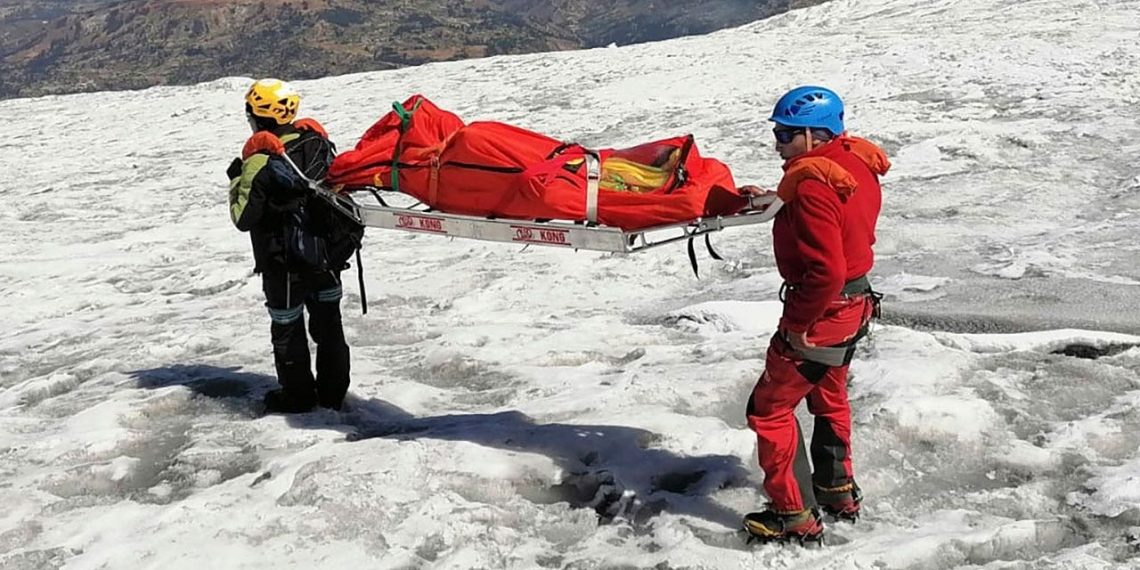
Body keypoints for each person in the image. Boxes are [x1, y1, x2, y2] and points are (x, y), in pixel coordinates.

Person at [738, 86, 890, 543]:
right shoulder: (852, 160)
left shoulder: (811, 186)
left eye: (785, 135)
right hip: (855, 305)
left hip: (824, 311)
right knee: (829, 397)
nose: (778, 143)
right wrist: (775, 198)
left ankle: (792, 516)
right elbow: (838, 215)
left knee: (769, 409)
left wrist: (797, 328)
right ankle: (836, 489)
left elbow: (825, 271)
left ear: (811, 133)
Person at [227, 78, 352, 413]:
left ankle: (297, 398)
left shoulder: (259, 159)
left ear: (258, 116)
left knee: (287, 328)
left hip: (283, 262)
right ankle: (333, 394)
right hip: (326, 257)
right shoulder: (318, 143)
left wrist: (236, 178)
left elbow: (243, 218)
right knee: (329, 326)